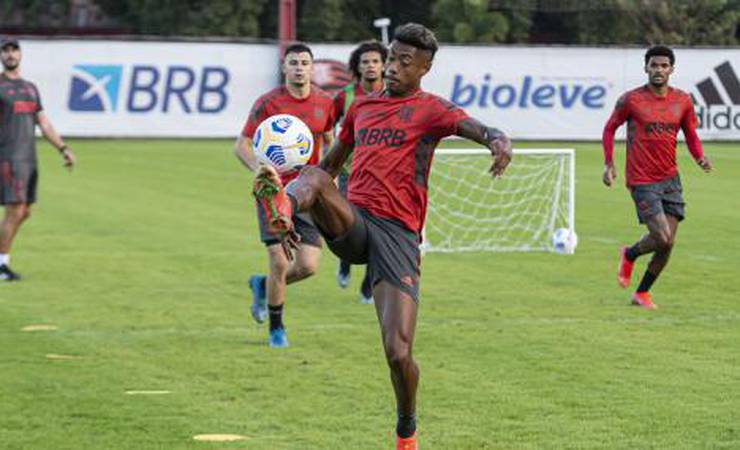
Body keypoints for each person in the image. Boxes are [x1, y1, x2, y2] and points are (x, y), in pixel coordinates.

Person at [252, 24, 512, 450]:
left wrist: (499, 141)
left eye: (402, 62)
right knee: (314, 174)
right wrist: (301, 201)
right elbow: (330, 168)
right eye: (391, 58)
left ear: (424, 68)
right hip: (354, 221)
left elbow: (478, 128)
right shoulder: (362, 109)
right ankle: (281, 208)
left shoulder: (433, 110)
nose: (391, 67)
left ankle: (406, 431)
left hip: (399, 236)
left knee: (398, 352)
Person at [235, 43, 335, 348]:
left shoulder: (325, 102)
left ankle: (262, 286)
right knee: (279, 261)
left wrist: (327, 176)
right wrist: (259, 170)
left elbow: (329, 140)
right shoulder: (268, 103)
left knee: (307, 266)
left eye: (305, 62)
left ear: (311, 67)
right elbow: (242, 145)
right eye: (293, 62)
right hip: (274, 193)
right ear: (285, 68)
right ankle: (277, 328)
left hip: (307, 192)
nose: (299, 68)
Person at [602, 45, 712, 310]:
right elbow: (609, 128)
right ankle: (629, 254)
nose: (659, 70)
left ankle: (641, 294)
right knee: (662, 237)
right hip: (642, 180)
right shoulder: (631, 100)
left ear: (672, 69)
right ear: (646, 68)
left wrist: (699, 157)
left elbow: (691, 134)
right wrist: (609, 164)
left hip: (670, 179)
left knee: (668, 244)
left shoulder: (683, 100)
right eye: (654, 65)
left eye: (664, 65)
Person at [0, 37, 75, 281]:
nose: (10, 54)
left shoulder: (30, 88)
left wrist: (63, 148)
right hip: (8, 156)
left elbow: (43, 122)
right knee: (15, 209)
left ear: (20, 54)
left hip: (28, 158)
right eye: (6, 51)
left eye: (14, 50)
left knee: (25, 212)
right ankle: (1, 265)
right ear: (1, 56)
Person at [333, 40, 387, 304]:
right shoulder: (345, 96)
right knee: (350, 227)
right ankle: (344, 262)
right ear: (357, 66)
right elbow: (326, 128)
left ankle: (367, 286)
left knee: (376, 233)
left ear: (384, 65)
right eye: (365, 61)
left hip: (381, 177)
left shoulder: (391, 94)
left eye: (375, 61)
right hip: (349, 173)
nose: (371, 66)